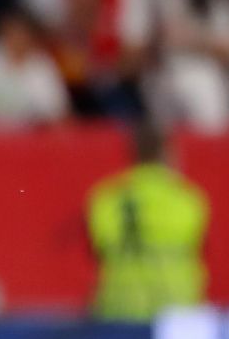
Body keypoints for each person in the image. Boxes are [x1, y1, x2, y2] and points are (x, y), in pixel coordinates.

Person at [86, 124, 209, 321]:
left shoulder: (106, 199)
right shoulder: (188, 200)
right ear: (167, 154)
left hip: (121, 309)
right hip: (177, 310)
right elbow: (199, 248)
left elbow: (97, 251)